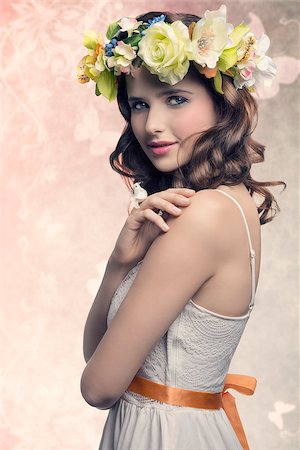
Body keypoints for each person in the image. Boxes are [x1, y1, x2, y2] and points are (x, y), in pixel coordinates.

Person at [77, 5, 286, 450]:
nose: (151, 125)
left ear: (220, 101)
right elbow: (96, 356)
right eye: (138, 105)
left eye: (175, 98)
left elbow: (98, 387)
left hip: (165, 436)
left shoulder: (202, 215)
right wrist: (120, 262)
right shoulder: (231, 202)